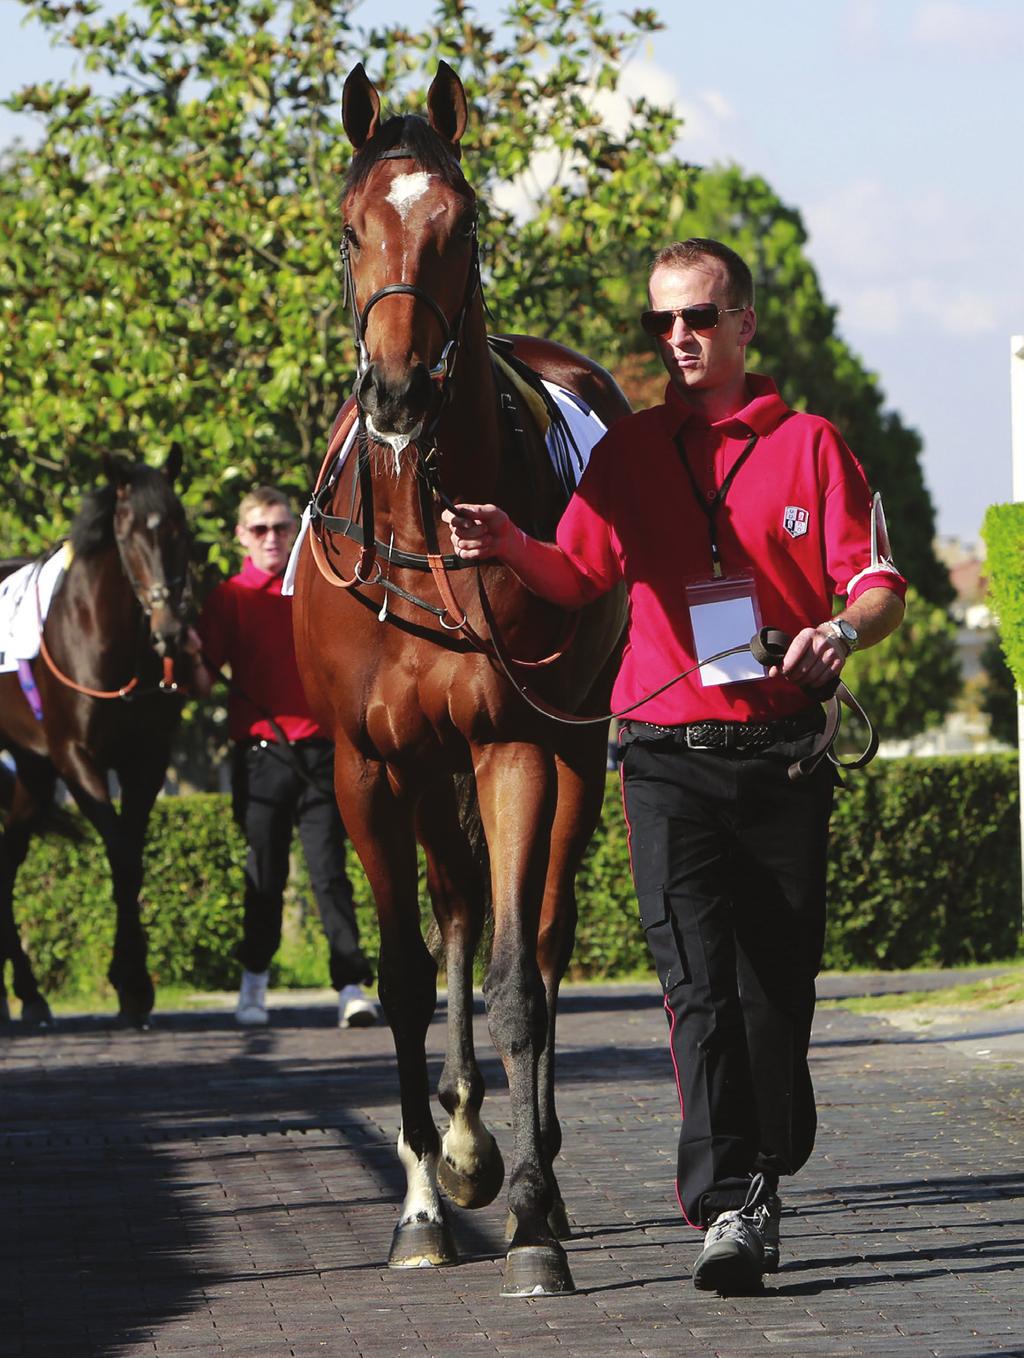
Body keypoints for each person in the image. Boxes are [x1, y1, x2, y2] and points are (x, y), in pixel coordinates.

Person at [443, 239, 906, 1295]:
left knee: (772, 996)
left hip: (784, 757)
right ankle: (727, 1201)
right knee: (694, 987)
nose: (680, 339)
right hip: (662, 758)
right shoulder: (628, 452)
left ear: (744, 322)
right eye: (662, 323)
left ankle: (764, 1166)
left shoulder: (811, 444)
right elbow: (578, 569)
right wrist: (509, 541)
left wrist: (840, 628)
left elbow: (877, 581)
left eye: (699, 317)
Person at [186, 487, 377, 1030]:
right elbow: (201, 684)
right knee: (263, 874)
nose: (272, 538)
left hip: (322, 752)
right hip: (261, 755)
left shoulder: (317, 589)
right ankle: (253, 985)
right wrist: (183, 657)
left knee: (329, 874)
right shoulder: (230, 597)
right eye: (260, 529)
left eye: (281, 528)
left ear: (297, 531)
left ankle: (350, 986)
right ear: (241, 536)